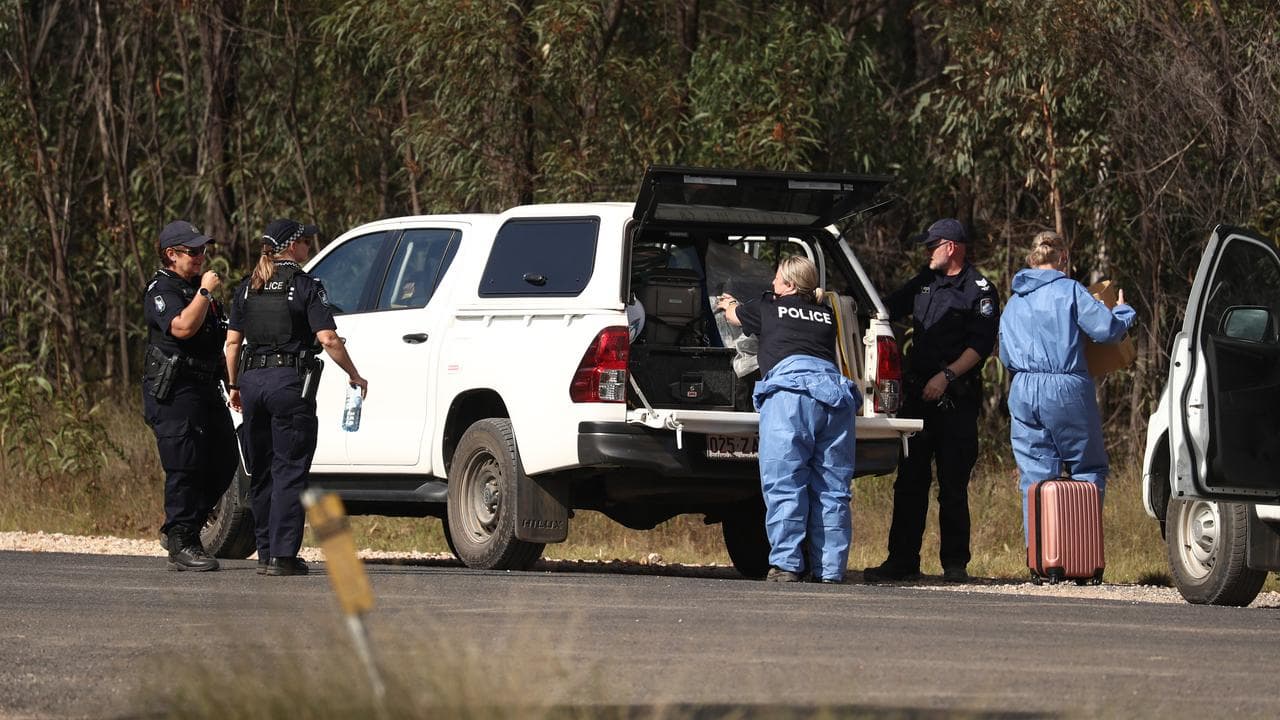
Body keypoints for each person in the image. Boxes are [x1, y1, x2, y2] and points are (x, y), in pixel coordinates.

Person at [224, 218, 368, 577]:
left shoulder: (247, 287)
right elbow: (328, 339)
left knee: (261, 471)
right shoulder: (305, 285)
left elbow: (232, 343)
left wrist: (235, 386)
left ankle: (266, 552)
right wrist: (354, 374)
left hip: (252, 383)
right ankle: (284, 557)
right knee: (289, 469)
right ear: (291, 247)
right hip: (288, 384)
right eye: (304, 241)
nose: (308, 247)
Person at [864, 218, 999, 584]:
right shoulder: (925, 282)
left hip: (955, 398)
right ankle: (902, 561)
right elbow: (884, 307)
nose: (926, 252)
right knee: (909, 483)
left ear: (951, 247)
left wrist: (946, 377)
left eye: (931, 246)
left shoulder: (980, 290)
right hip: (917, 398)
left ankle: (955, 564)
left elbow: (980, 346)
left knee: (953, 486)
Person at [716, 255, 861, 584]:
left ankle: (787, 565)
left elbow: (733, 316)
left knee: (785, 483)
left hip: (790, 398)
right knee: (832, 490)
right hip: (834, 398)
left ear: (791, 285)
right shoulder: (826, 314)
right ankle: (830, 571)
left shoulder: (767, 308)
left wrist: (729, 303)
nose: (772, 285)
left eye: (777, 279)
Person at [998, 231, 1135, 544]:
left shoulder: (1014, 301)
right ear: (1062, 258)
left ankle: (1042, 559)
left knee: (1034, 476)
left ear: (1033, 259)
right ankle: (1079, 553)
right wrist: (1123, 313)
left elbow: (1005, 354)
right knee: (1087, 467)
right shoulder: (1070, 290)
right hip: (1065, 386)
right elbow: (1106, 330)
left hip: (1023, 387)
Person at [142, 220, 238, 571]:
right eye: (193, 251)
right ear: (171, 255)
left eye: (202, 251)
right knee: (185, 465)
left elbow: (221, 339)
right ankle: (182, 541)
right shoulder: (161, 289)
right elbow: (181, 327)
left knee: (225, 459)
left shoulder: (200, 290)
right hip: (174, 391)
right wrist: (204, 293)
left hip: (205, 387)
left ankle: (182, 530)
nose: (201, 257)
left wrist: (232, 383)